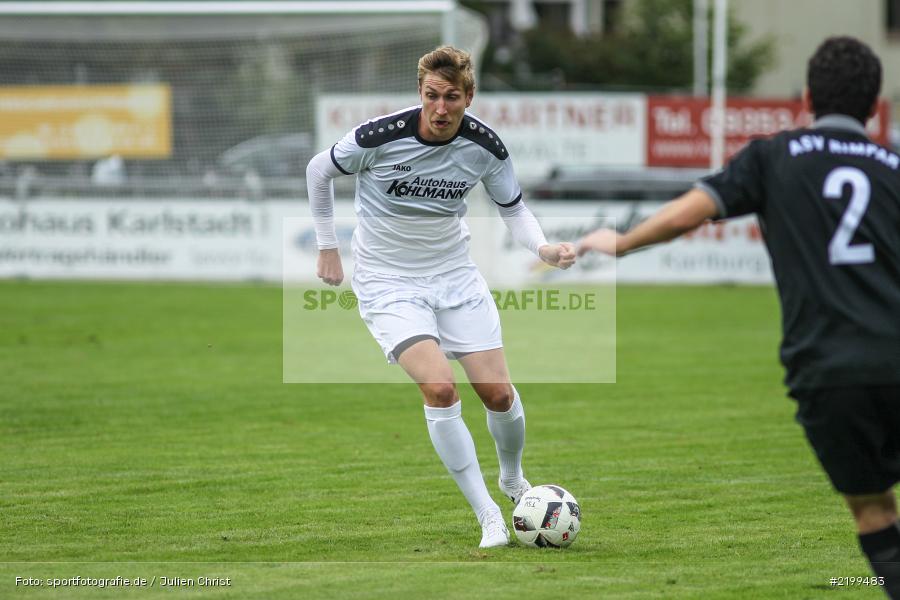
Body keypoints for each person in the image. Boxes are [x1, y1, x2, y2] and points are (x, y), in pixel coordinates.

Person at [578, 36, 900, 596]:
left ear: (806, 98)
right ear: (875, 107)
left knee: (875, 513)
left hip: (828, 371)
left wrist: (623, 242)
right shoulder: (895, 166)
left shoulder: (773, 156)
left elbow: (692, 212)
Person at [306, 46, 576, 548]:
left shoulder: (485, 148)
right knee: (441, 389)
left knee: (497, 393)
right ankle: (489, 515)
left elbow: (513, 209)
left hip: (454, 277)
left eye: (452, 97)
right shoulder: (377, 137)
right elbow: (318, 171)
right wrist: (328, 246)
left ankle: (513, 478)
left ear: (468, 97)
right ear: (421, 93)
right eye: (432, 95)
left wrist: (542, 247)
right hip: (388, 283)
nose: (441, 107)